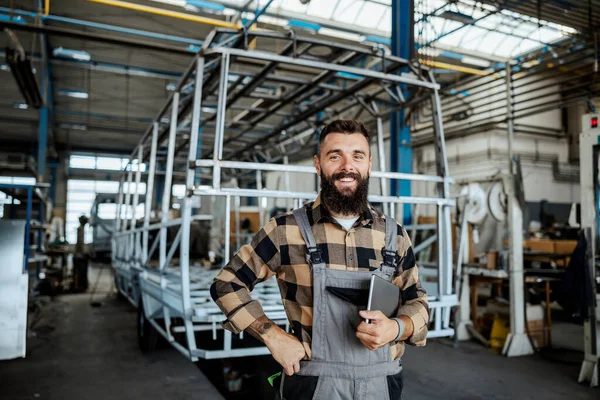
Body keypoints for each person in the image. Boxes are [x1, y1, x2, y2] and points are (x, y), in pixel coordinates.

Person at [210, 119, 429, 399]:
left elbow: (418, 301)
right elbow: (226, 284)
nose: (347, 166)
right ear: (318, 164)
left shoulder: (393, 234)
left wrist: (397, 327)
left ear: (369, 164)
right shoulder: (285, 230)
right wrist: (271, 335)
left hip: (381, 383)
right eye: (335, 156)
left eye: (357, 156)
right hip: (312, 385)